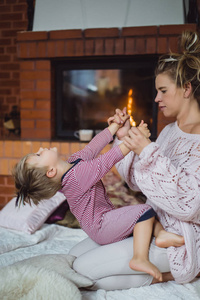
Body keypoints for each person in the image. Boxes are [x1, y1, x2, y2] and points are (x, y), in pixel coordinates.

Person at [68, 30, 200, 290]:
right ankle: (165, 275)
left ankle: (185, 266)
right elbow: (137, 183)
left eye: (162, 91)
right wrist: (126, 139)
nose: (156, 99)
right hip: (150, 225)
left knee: (83, 271)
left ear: (186, 88)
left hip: (180, 236)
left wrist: (147, 150)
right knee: (73, 257)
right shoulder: (169, 132)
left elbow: (190, 205)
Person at [13, 110, 184, 281]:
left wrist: (114, 126)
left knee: (139, 215)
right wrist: (136, 139)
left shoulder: (74, 162)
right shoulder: (77, 177)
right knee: (143, 211)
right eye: (38, 155)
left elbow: (94, 146)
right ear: (50, 171)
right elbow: (108, 159)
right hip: (102, 227)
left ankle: (160, 235)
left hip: (99, 225)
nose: (41, 148)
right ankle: (140, 258)